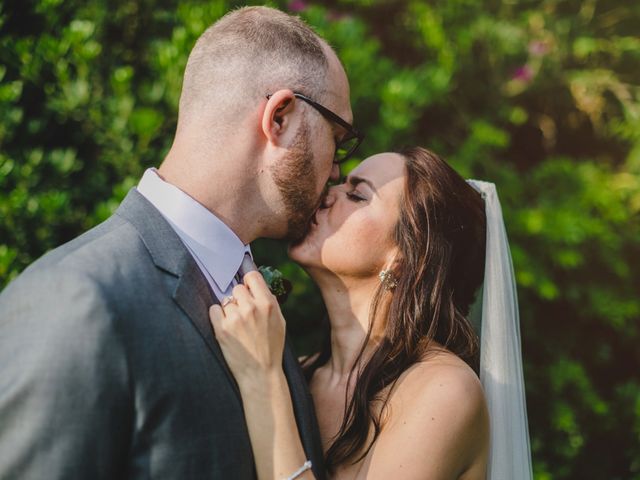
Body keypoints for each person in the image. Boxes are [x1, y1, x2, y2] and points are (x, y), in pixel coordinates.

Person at [0, 6, 359, 479]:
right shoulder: (77, 299)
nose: (336, 170)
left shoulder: (251, 297)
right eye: (338, 138)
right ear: (280, 118)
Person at [210, 147, 532, 479]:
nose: (326, 194)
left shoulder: (444, 392)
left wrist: (263, 380)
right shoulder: (300, 373)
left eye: (356, 195)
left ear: (407, 258)